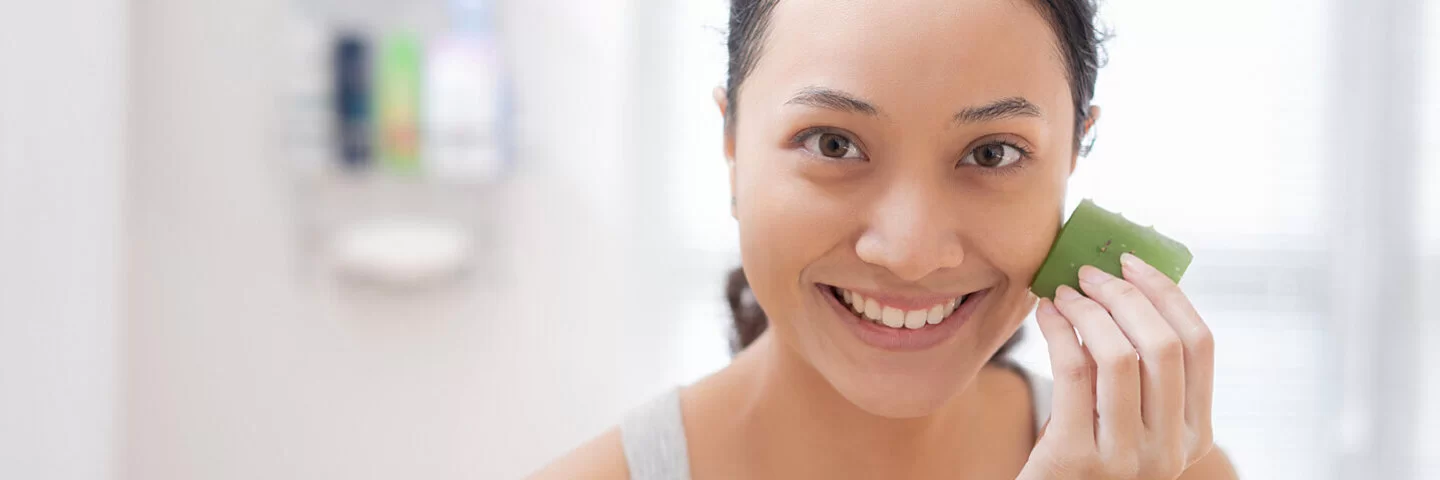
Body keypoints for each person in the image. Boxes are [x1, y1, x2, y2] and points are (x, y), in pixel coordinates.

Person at [535, 0, 1239, 478]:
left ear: (1074, 157)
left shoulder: (1165, 468)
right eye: (833, 143)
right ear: (730, 144)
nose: (910, 250)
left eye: (991, 153)